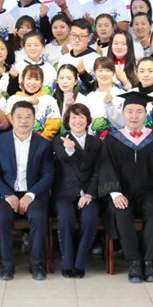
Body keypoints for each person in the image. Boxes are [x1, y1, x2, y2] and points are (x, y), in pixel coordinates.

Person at [97, 92, 153, 283]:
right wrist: (115, 193)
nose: (134, 116)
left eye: (139, 111)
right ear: (123, 113)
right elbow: (105, 166)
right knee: (121, 211)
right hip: (122, 191)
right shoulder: (112, 139)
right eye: (130, 111)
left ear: (146, 114)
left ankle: (149, 262)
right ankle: (134, 262)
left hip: (149, 191)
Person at [0, 101, 55, 281]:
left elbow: (48, 174)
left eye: (28, 117)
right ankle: (7, 265)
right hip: (6, 193)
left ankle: (36, 263)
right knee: (0, 218)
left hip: (34, 193)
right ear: (11, 119)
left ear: (34, 120)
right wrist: (7, 194)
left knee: (39, 217)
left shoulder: (43, 144)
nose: (23, 121)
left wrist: (30, 195)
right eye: (19, 117)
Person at [52, 103, 101, 278]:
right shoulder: (59, 140)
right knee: (65, 216)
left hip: (89, 194)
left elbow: (98, 171)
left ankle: (80, 262)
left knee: (90, 217)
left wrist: (89, 194)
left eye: (81, 117)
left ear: (87, 120)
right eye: (73, 117)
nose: (77, 121)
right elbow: (62, 158)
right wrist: (70, 150)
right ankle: (67, 261)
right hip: (64, 193)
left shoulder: (97, 142)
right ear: (67, 121)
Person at [6, 65, 62, 141]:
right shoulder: (13, 99)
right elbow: (13, 121)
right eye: (29, 78)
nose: (32, 83)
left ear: (41, 82)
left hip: (43, 142)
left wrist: (41, 141)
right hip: (18, 141)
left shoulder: (49, 100)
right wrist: (28, 105)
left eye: (37, 79)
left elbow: (54, 124)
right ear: (23, 80)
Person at [81, 57, 126, 138]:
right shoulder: (89, 98)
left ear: (113, 73)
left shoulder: (122, 95)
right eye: (100, 70)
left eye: (108, 70)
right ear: (94, 73)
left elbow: (124, 124)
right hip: (95, 142)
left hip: (119, 141)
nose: (104, 74)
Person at [57, 18, 98, 88]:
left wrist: (84, 74)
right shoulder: (63, 59)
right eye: (73, 35)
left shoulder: (96, 59)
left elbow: (99, 88)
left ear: (89, 37)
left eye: (82, 36)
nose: (77, 40)